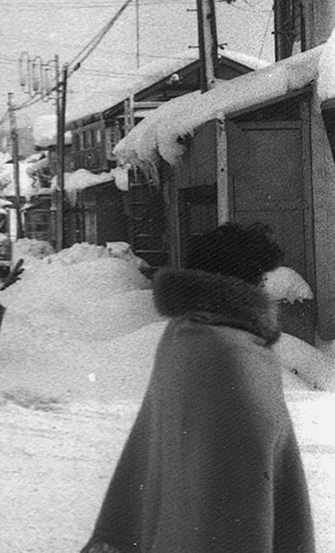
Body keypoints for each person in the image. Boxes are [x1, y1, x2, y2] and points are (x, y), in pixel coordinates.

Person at [81, 222, 314, 553]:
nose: (266, 286)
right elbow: (246, 480)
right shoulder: (231, 351)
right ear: (246, 279)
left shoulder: (184, 334)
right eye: (261, 277)